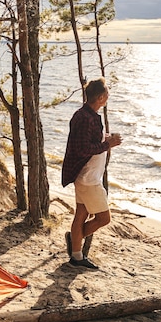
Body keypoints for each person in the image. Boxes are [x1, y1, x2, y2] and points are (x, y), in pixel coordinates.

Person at [61, 78, 122, 269]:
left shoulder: (86, 115)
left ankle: (76, 256)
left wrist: (105, 138)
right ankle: (75, 240)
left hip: (86, 176)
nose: (107, 99)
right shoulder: (86, 118)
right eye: (107, 96)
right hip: (89, 178)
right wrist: (108, 144)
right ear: (101, 97)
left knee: (80, 215)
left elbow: (87, 141)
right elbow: (82, 148)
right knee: (104, 218)